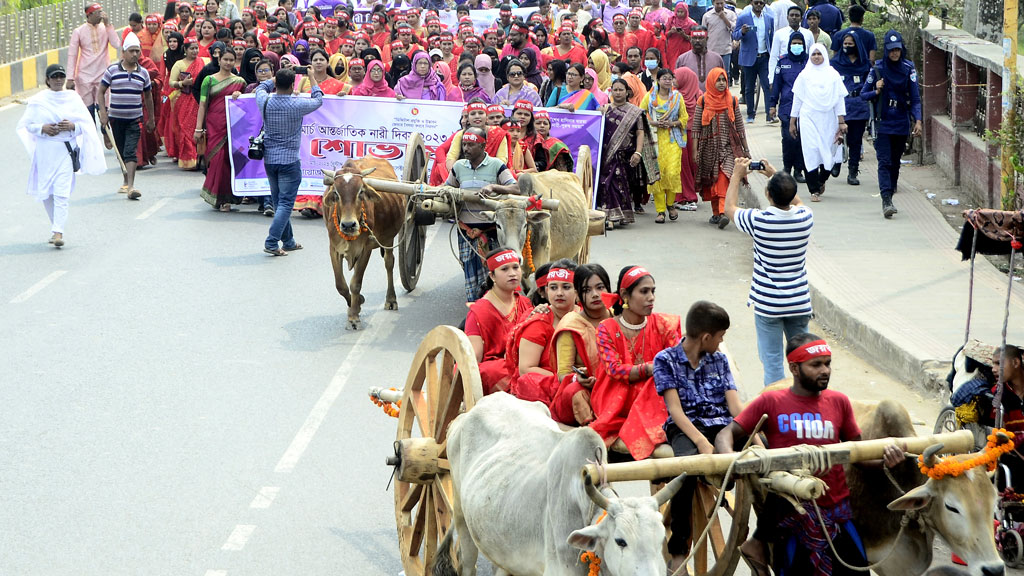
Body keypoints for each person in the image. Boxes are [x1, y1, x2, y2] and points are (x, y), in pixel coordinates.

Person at [715, 332, 903, 576]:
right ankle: (759, 542)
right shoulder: (771, 402)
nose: (825, 370)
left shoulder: (839, 402)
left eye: (827, 363)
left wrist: (887, 462)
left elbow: (859, 457)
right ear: (794, 368)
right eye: (816, 365)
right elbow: (725, 434)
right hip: (794, 515)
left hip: (838, 515)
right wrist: (730, 461)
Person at [654, 300, 741, 573]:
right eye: (720, 337)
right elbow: (676, 412)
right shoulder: (665, 360)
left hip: (722, 426)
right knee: (686, 470)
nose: (721, 342)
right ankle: (679, 548)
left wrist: (756, 437)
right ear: (706, 337)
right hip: (685, 427)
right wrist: (702, 443)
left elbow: (735, 407)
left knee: (762, 457)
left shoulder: (719, 359)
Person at [724, 158, 813, 386]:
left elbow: (729, 209)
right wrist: (773, 174)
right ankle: (806, 402)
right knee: (803, 357)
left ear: (768, 195)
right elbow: (799, 202)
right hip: (799, 301)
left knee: (773, 360)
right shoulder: (805, 218)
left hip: (768, 303)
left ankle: (777, 408)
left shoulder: (759, 220)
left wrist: (735, 176)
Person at [590, 266, 682, 460]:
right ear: (624, 295)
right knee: (653, 385)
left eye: (653, 291)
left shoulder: (664, 324)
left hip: (655, 391)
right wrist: (651, 368)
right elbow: (614, 370)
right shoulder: (606, 329)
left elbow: (676, 362)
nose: (651, 297)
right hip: (618, 395)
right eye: (644, 291)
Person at [17, 64, 106, 248]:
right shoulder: (38, 100)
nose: (58, 80)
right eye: (54, 77)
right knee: (47, 193)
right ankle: (54, 227)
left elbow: (87, 125)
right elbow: (28, 125)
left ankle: (58, 231)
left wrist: (73, 126)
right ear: (47, 80)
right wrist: (43, 128)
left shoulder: (73, 98)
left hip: (66, 151)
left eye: (61, 76)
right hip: (45, 152)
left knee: (61, 192)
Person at [508, 261, 591, 426]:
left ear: (577, 291)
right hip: (550, 385)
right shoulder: (539, 322)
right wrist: (568, 378)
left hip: (585, 377)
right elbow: (526, 369)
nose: (559, 293)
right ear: (546, 291)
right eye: (553, 288)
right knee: (529, 381)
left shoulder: (587, 315)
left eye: (566, 287)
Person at [444, 127, 521, 300]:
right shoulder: (458, 167)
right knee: (470, 274)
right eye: (464, 144)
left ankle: (494, 309)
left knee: (495, 274)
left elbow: (516, 187)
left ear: (483, 146)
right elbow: (447, 188)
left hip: (492, 231)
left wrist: (494, 187)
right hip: (466, 231)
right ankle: (475, 309)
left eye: (471, 145)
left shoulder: (496, 165)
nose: (466, 149)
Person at [256, 67, 324, 256]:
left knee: (279, 202)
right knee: (285, 204)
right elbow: (318, 99)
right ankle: (271, 241)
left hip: (270, 159)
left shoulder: (266, 101)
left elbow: (261, 88)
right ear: (293, 85)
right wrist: (311, 76)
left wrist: (274, 78)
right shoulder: (297, 104)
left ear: (276, 83)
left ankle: (288, 241)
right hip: (289, 161)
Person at [861, 30, 921, 220]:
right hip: (883, 123)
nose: (894, 53)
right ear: (886, 51)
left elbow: (916, 98)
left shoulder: (908, 68)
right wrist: (876, 89)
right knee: (884, 162)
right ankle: (886, 199)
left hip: (901, 122)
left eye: (897, 49)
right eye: (891, 50)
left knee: (895, 162)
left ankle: (891, 189)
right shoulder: (877, 69)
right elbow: (864, 94)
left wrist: (917, 120)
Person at [465, 248, 536, 395]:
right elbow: (474, 358)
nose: (512, 273)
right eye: (504, 269)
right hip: (496, 369)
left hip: (524, 362)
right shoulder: (479, 311)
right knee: (488, 371)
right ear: (492, 276)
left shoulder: (525, 303)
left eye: (516, 267)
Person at [550, 263, 614, 425]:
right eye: (587, 290)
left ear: (609, 290)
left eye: (600, 287)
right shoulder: (571, 325)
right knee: (575, 391)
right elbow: (562, 373)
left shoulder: (619, 318)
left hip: (616, 383)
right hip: (585, 390)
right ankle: (595, 429)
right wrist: (577, 378)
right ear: (578, 295)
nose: (595, 295)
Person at [98, 33, 155, 201]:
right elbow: (101, 92)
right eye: (132, 51)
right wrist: (103, 113)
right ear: (124, 52)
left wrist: (151, 119)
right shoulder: (112, 71)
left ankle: (131, 186)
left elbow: (148, 96)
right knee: (121, 151)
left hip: (134, 119)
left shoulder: (143, 73)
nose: (135, 54)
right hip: (116, 118)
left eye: (138, 51)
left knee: (130, 151)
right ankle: (125, 179)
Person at [692, 67, 748, 227]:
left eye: (724, 80)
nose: (722, 83)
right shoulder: (702, 101)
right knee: (712, 181)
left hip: (729, 148)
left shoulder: (732, 100)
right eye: (718, 80)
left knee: (725, 178)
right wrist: (695, 151)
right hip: (708, 148)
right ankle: (716, 213)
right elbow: (696, 127)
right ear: (711, 81)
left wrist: (746, 150)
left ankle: (724, 211)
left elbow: (739, 126)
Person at [600, 78, 656, 229]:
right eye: (615, 90)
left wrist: (638, 152)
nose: (617, 93)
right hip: (607, 155)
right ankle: (609, 217)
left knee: (622, 185)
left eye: (621, 90)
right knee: (607, 183)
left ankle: (622, 214)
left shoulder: (634, 112)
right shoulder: (604, 109)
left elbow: (640, 133)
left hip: (626, 155)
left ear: (627, 92)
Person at [196, 47, 245, 212]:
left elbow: (246, 107)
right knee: (216, 159)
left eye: (232, 60)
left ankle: (226, 198)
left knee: (227, 161)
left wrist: (240, 96)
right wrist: (198, 128)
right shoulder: (208, 80)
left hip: (232, 126)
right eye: (226, 59)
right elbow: (203, 104)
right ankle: (216, 196)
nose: (229, 63)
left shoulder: (239, 82)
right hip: (213, 124)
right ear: (219, 60)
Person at [641, 68, 687, 224]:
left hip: (672, 139)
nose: (667, 81)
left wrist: (672, 123)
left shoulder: (677, 98)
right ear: (658, 80)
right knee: (658, 174)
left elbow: (684, 117)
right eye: (664, 78)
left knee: (672, 173)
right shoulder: (650, 97)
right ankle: (660, 210)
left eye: (670, 79)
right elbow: (641, 113)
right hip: (655, 139)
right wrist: (654, 122)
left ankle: (670, 204)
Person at [68, 3, 121, 119]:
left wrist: (108, 25)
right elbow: (72, 55)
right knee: (88, 113)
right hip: (84, 76)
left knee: (104, 113)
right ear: (89, 14)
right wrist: (70, 78)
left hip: (103, 75)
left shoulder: (105, 28)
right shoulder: (79, 31)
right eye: (98, 13)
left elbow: (116, 44)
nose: (101, 15)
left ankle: (106, 135)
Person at [832, 30, 871, 187]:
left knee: (855, 140)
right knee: (837, 137)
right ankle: (836, 161)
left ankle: (853, 172)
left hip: (858, 106)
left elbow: (870, 84)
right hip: (840, 105)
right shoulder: (835, 64)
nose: (848, 46)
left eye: (851, 44)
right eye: (845, 44)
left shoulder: (864, 64)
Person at [769, 31, 808, 183]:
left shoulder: (808, 62)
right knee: (788, 139)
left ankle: (799, 170)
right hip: (787, 107)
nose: (797, 46)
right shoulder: (782, 61)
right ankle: (787, 169)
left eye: (799, 43)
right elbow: (777, 85)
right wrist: (772, 105)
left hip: (805, 108)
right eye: (794, 43)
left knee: (801, 141)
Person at [732, 0, 773, 123]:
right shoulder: (744, 17)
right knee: (749, 87)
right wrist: (742, 32)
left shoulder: (769, 18)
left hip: (764, 57)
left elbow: (771, 37)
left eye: (761, 3)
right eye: (756, 2)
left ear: (764, 4)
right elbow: (735, 36)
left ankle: (769, 115)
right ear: (752, 3)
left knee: (767, 86)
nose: (759, 5)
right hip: (749, 58)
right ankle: (750, 114)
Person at [168, 38, 204, 170]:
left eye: (196, 48)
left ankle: (198, 157)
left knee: (197, 128)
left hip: (197, 99)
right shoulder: (179, 64)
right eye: (192, 48)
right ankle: (188, 160)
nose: (195, 51)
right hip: (183, 99)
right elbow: (171, 82)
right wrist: (183, 83)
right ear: (185, 49)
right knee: (184, 128)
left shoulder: (202, 62)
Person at [674, 66, 701, 211]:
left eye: (676, 77)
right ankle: (686, 194)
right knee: (685, 166)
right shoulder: (698, 95)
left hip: (684, 133)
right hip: (691, 133)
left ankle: (686, 197)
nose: (673, 80)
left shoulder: (676, 96)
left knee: (685, 166)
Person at [767, 5, 812, 86]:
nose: (794, 17)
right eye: (792, 15)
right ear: (787, 17)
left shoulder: (808, 34)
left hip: (804, 73)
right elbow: (774, 57)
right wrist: (772, 79)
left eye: (797, 15)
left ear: (801, 18)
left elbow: (812, 55)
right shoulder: (779, 34)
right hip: (784, 74)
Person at [676, 26, 724, 91]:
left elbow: (724, 82)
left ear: (707, 39)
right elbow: (676, 83)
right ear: (690, 39)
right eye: (694, 38)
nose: (697, 41)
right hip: (689, 100)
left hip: (712, 99)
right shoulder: (682, 59)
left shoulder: (717, 59)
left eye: (701, 38)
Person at [702, 0, 735, 78]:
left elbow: (734, 28)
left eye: (721, 3)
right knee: (712, 73)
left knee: (725, 73)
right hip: (712, 49)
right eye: (717, 4)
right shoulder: (707, 16)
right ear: (713, 3)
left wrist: (724, 18)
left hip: (725, 49)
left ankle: (725, 90)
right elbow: (703, 32)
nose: (720, 6)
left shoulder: (731, 14)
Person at [663, 3, 696, 71]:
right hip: (672, 48)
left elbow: (693, 38)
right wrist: (671, 31)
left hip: (684, 48)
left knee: (684, 66)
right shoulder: (671, 20)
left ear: (686, 12)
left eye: (682, 12)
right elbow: (665, 35)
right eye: (678, 12)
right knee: (672, 66)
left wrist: (684, 35)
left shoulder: (691, 23)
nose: (679, 14)